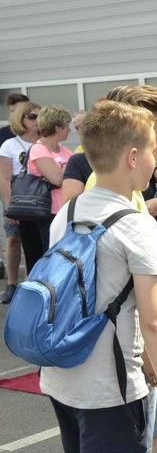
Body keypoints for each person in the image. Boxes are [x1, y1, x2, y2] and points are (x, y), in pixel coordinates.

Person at [39, 100, 157, 453]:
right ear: (133, 157)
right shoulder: (137, 225)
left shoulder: (68, 212)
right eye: (154, 149)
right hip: (111, 387)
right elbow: (154, 320)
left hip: (62, 377)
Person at [0, 101, 42, 303]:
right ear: (21, 119)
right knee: (18, 241)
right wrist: (9, 208)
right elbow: (4, 178)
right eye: (32, 117)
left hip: (43, 203)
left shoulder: (45, 141)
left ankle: (33, 289)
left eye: (39, 117)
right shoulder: (10, 145)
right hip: (20, 201)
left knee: (40, 246)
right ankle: (14, 286)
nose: (37, 121)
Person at [28, 104, 74, 252]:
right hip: (49, 212)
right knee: (53, 253)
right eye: (67, 125)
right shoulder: (38, 149)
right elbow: (57, 179)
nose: (69, 129)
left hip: (66, 209)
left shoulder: (66, 151)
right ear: (57, 128)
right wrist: (72, 168)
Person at [0, 93, 30, 288]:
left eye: (19, 110)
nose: (15, 114)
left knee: (32, 241)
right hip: (12, 193)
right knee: (13, 237)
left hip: (35, 196)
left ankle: (30, 284)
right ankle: (11, 285)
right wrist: (8, 203)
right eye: (11, 111)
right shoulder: (4, 136)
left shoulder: (39, 132)